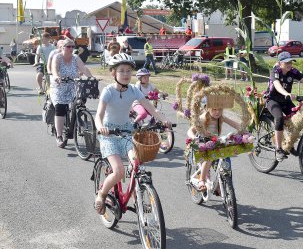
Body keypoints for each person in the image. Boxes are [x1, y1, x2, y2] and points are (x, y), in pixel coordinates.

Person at [94, 53, 171, 215]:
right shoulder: (108, 91)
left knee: (137, 163)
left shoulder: (134, 90)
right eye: (121, 70)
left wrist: (163, 120)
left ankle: (138, 200)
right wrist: (101, 127)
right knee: (119, 171)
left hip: (127, 131)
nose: (126, 74)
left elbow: (151, 108)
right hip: (109, 134)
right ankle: (101, 195)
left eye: (129, 70)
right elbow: (99, 115)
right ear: (113, 73)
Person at [187, 104, 241, 191]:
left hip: (214, 141)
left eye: (220, 109)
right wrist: (194, 138)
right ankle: (201, 180)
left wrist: (244, 130)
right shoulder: (203, 118)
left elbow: (235, 124)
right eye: (214, 109)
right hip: (202, 142)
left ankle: (221, 183)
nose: (217, 112)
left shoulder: (221, 118)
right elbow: (190, 130)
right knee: (210, 157)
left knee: (225, 155)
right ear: (208, 108)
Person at [50, 39, 93, 148]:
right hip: (59, 86)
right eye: (68, 46)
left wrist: (91, 78)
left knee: (80, 102)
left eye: (72, 46)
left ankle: (77, 121)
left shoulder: (75, 58)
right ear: (62, 48)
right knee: (60, 108)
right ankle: (59, 136)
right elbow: (54, 69)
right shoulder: (58, 57)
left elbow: (83, 68)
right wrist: (56, 76)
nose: (71, 48)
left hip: (73, 85)